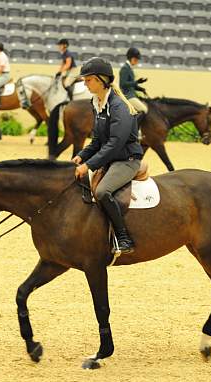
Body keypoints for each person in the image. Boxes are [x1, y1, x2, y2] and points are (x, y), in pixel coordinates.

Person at [72, 58, 143, 254]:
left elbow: (114, 144)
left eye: (87, 80)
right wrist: (81, 155)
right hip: (111, 158)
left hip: (126, 160)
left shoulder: (118, 107)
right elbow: (97, 140)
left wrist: (89, 165)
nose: (85, 84)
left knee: (102, 191)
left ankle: (123, 238)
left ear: (99, 80)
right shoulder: (97, 103)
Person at [119, 47, 148, 115]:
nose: (137, 61)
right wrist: (137, 82)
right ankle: (134, 125)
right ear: (131, 58)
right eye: (136, 59)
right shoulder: (125, 69)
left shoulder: (129, 68)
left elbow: (130, 85)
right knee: (144, 110)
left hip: (132, 95)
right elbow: (123, 84)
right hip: (127, 96)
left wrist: (140, 89)